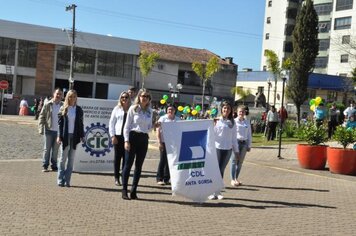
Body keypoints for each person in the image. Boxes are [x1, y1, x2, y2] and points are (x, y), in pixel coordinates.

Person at [122, 89, 153, 200]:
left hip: (144, 138)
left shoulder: (150, 111)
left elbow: (148, 128)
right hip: (133, 137)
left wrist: (155, 125)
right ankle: (124, 190)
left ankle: (134, 190)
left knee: (139, 166)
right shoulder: (133, 109)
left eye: (146, 96)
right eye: (142, 96)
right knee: (128, 164)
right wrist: (126, 141)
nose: (144, 98)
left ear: (149, 99)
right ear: (139, 97)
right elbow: (126, 126)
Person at [209, 101, 239, 200]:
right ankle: (213, 192)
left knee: (221, 170)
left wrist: (236, 150)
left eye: (228, 108)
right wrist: (213, 125)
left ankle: (218, 192)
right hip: (218, 148)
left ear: (231, 111)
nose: (226, 110)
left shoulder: (232, 122)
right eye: (224, 108)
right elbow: (212, 135)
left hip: (228, 150)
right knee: (216, 170)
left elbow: (234, 138)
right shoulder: (217, 120)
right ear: (221, 109)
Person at [57, 90, 85, 187]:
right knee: (62, 159)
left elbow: (81, 124)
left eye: (74, 96)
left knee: (71, 159)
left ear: (76, 97)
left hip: (75, 136)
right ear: (67, 97)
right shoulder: (63, 108)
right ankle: (60, 179)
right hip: (65, 136)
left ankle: (67, 180)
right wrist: (59, 136)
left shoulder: (79, 109)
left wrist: (82, 135)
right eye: (70, 96)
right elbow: (60, 125)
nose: (72, 98)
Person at [38, 88, 63, 172]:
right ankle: (45, 165)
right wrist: (40, 128)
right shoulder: (48, 104)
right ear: (54, 94)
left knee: (55, 150)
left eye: (60, 94)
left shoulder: (63, 105)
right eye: (57, 93)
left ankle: (54, 165)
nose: (58, 95)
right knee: (47, 149)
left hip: (58, 132)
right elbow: (42, 116)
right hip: (48, 130)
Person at [109, 91, 131, 186]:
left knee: (126, 159)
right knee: (117, 158)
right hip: (118, 136)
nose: (124, 99)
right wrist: (112, 136)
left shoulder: (132, 109)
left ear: (129, 98)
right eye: (122, 97)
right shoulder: (117, 109)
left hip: (128, 137)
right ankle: (116, 178)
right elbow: (111, 123)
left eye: (126, 97)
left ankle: (124, 177)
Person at [156, 104, 179, 185]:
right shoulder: (162, 118)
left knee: (171, 161)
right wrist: (159, 142)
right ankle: (159, 178)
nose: (170, 111)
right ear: (166, 110)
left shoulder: (178, 119)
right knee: (162, 160)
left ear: (175, 111)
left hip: (173, 144)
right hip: (164, 142)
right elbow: (158, 131)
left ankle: (167, 178)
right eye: (169, 109)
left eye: (172, 109)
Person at [230, 105, 252, 187]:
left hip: (244, 143)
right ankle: (232, 179)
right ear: (237, 112)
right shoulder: (234, 121)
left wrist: (249, 145)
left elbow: (249, 134)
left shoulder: (247, 122)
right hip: (236, 143)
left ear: (245, 113)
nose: (241, 113)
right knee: (234, 161)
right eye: (240, 112)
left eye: (243, 112)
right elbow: (231, 134)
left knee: (240, 163)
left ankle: (236, 178)